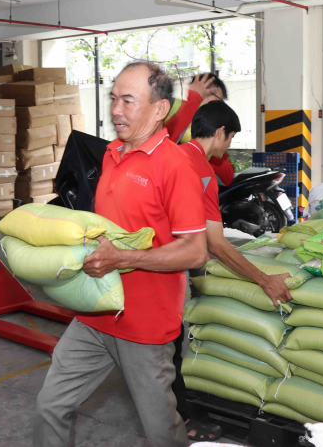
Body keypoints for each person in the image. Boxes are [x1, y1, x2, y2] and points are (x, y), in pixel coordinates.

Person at [34, 62, 211, 447]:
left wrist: (124, 259)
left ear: (160, 108)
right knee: (50, 404)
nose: (116, 110)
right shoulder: (112, 154)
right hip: (94, 313)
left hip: (144, 327)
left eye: (128, 101)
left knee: (160, 431)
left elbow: (196, 252)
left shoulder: (174, 165)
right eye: (114, 98)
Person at [169, 101, 293, 438]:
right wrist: (265, 280)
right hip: (166, 268)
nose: (227, 148)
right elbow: (219, 244)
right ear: (221, 132)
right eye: (230, 138)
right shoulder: (202, 170)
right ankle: (181, 420)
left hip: (140, 255)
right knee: (168, 348)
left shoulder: (172, 153)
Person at [165, 73, 235, 185]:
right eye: (218, 100)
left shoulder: (210, 127)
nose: (219, 107)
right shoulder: (173, 115)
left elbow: (226, 177)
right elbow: (166, 143)